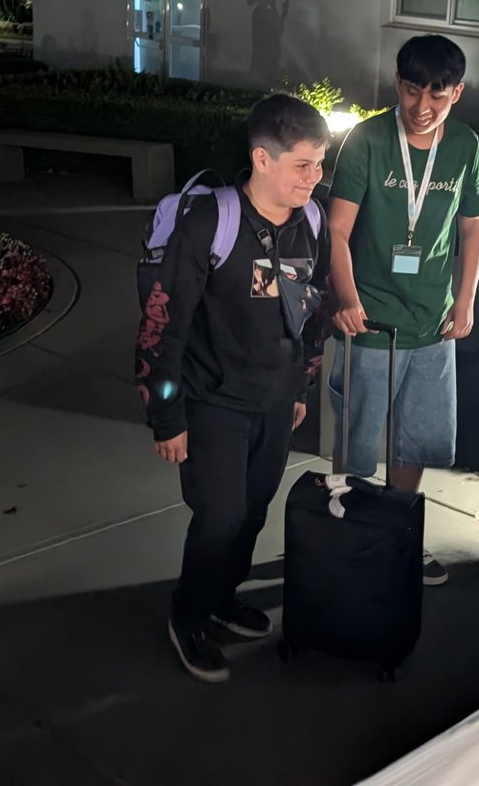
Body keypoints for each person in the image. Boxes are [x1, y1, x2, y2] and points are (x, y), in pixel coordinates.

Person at [136, 93, 329, 683]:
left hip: (274, 400)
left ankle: (222, 596)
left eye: (320, 163)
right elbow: (162, 326)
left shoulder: (310, 222)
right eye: (303, 165)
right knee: (220, 515)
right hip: (212, 401)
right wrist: (166, 417)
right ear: (262, 159)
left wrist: (299, 388)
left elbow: (308, 313)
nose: (314, 177)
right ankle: (188, 614)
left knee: (253, 510)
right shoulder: (209, 224)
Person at [326, 34, 479, 587]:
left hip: (433, 321)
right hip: (371, 321)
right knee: (357, 438)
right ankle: (348, 535)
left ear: (457, 93)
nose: (423, 106)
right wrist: (347, 297)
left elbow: (473, 227)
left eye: (437, 95)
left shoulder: (463, 145)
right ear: (397, 83)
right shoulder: (368, 140)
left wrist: (464, 300)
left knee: (415, 439)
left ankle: (398, 533)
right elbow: (337, 230)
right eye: (412, 90)